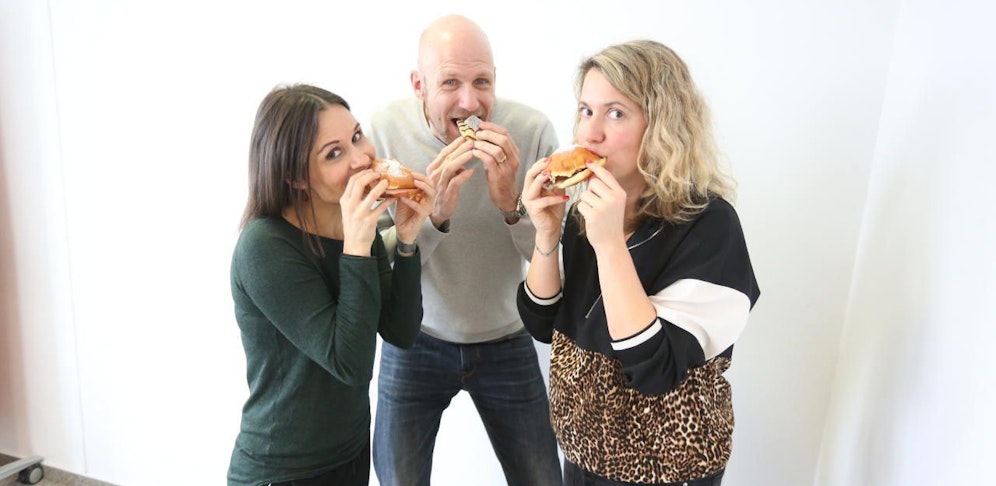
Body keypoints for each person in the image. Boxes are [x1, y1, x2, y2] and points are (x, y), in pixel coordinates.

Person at [517, 40, 761, 485]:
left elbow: (654, 368)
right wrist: (547, 234)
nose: (590, 134)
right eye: (586, 111)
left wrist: (610, 245)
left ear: (663, 124)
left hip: (667, 468)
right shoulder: (587, 209)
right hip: (584, 455)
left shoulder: (711, 225)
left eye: (616, 113)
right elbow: (541, 322)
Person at [367, 14, 563, 486]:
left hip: (507, 336)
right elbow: (377, 264)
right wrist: (434, 218)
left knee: (542, 478)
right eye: (450, 83)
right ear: (419, 85)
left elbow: (548, 255)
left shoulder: (532, 131)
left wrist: (509, 203)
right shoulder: (384, 132)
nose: (470, 102)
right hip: (414, 336)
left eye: (482, 82)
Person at [228, 84, 435, 486]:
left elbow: (401, 331)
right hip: (284, 469)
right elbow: (350, 365)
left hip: (350, 451)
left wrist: (407, 240)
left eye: (357, 136)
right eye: (334, 154)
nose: (361, 158)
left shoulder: (353, 221)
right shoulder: (263, 247)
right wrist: (357, 244)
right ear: (295, 177)